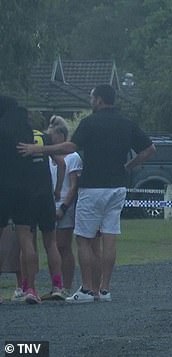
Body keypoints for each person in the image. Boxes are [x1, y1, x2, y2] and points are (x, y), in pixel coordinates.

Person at [18, 84, 156, 303]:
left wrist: (40, 149)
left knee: (83, 239)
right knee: (109, 236)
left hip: (93, 187)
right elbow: (150, 149)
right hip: (117, 187)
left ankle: (87, 289)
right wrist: (129, 166)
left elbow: (70, 147)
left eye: (92, 98)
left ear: (99, 100)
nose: (91, 102)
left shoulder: (89, 123)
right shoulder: (127, 124)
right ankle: (105, 289)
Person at [0, 96, 44, 304]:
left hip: (3, 187)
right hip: (25, 189)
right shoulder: (26, 132)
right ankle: (32, 289)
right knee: (27, 240)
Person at [24, 120, 66, 302]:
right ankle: (57, 285)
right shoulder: (44, 137)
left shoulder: (17, 137)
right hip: (45, 194)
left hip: (25, 195)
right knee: (51, 242)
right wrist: (57, 189)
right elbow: (61, 163)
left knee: (27, 242)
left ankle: (28, 288)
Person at [46, 116, 82, 298]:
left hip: (64, 205)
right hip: (48, 205)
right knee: (51, 245)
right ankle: (56, 285)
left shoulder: (73, 157)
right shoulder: (49, 156)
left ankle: (66, 285)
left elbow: (73, 185)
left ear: (60, 135)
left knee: (63, 246)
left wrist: (64, 207)